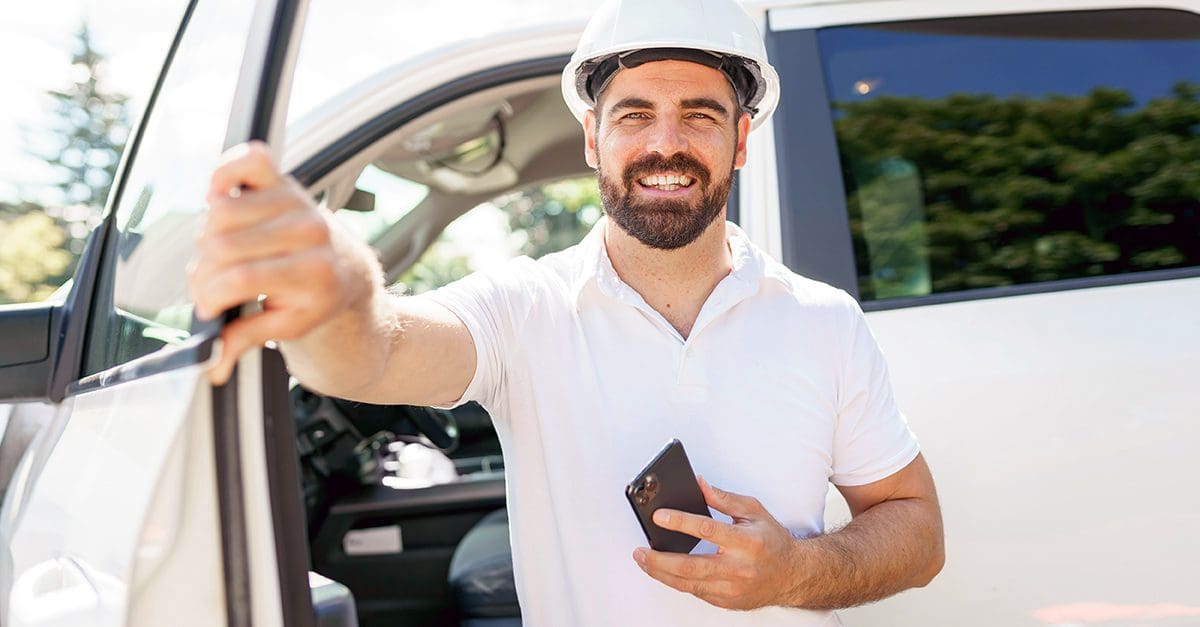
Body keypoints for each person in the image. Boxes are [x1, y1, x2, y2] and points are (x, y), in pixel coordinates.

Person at [189, 0, 944, 624]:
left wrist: (797, 573)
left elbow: (918, 529)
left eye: (701, 116)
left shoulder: (824, 321)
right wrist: (338, 293)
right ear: (593, 137)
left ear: (742, 138)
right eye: (635, 115)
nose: (666, 144)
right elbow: (377, 351)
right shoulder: (525, 308)